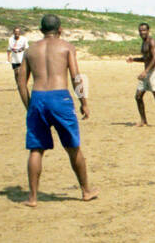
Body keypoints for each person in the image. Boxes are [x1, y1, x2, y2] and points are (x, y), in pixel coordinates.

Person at [16, 14, 98, 207]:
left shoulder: (30, 50)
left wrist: (30, 106)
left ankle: (33, 197)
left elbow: (21, 83)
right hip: (59, 97)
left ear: (41, 30)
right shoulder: (66, 47)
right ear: (60, 30)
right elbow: (76, 76)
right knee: (72, 147)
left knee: (36, 149)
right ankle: (86, 191)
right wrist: (84, 102)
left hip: (37, 97)